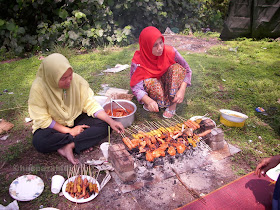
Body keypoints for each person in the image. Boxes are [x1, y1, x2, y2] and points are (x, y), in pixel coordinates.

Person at [28, 53, 125, 165]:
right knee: (40, 141)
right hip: (53, 126)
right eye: (63, 78)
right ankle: (79, 141)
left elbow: (90, 104)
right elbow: (42, 119)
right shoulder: (38, 88)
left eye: (70, 75)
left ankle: (69, 145)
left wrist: (111, 121)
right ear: (52, 77)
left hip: (75, 118)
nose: (69, 80)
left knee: (105, 125)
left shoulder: (77, 81)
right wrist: (70, 131)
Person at [130, 26, 192, 118]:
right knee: (150, 81)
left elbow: (187, 70)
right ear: (146, 46)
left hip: (169, 83)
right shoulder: (138, 61)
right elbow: (136, 87)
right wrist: (147, 100)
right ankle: (154, 102)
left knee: (176, 68)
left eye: (161, 43)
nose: (160, 48)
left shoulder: (171, 52)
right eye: (155, 45)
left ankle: (172, 103)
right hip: (155, 87)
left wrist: (182, 89)